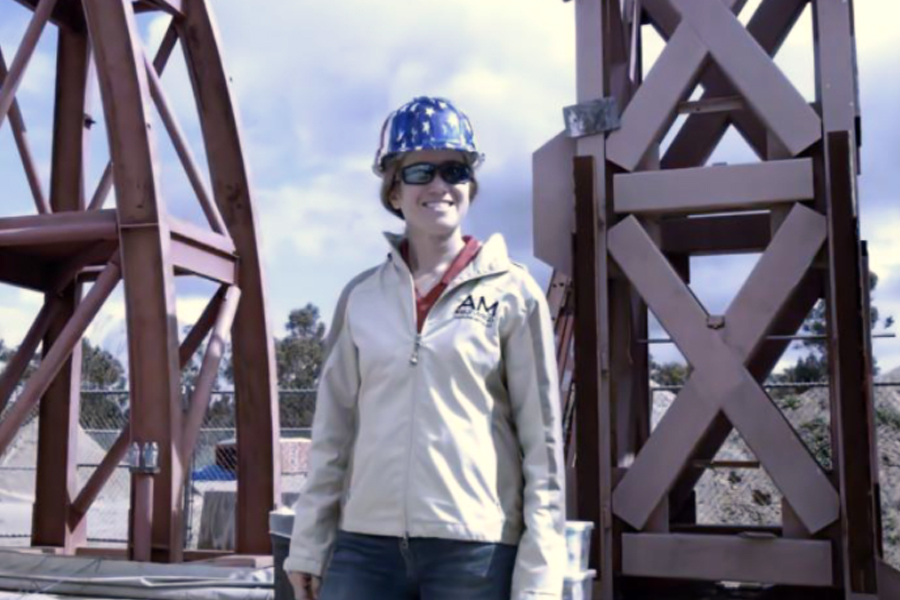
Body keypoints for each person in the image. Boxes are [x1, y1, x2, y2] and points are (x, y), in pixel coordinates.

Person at [283, 96, 565, 600]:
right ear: (393, 190)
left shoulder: (513, 294)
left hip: (474, 554)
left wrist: (540, 578)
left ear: (470, 187)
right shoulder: (361, 298)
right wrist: (308, 544)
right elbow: (333, 433)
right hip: (365, 551)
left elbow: (541, 447)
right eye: (419, 171)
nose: (439, 185)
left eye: (454, 170)